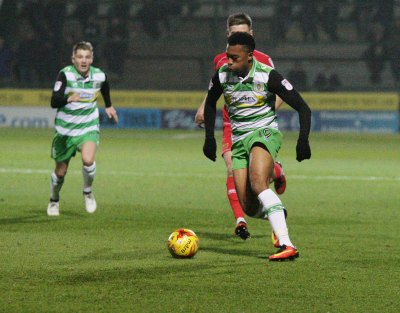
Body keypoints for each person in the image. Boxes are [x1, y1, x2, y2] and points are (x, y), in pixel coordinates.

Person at [202, 32, 311, 261]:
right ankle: (277, 212)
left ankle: (286, 244)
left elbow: (303, 107)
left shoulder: (268, 75)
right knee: (249, 207)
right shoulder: (222, 76)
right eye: (227, 57)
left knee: (258, 182)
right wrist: (209, 139)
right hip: (239, 139)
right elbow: (210, 103)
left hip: (264, 133)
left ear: (249, 56)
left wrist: (303, 140)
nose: (229, 62)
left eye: (234, 58)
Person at [195, 13, 286, 241]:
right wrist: (203, 107)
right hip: (231, 124)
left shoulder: (264, 60)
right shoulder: (221, 60)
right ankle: (241, 219)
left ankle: (275, 173)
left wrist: (263, 116)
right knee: (232, 169)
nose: (239, 37)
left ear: (251, 35)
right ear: (228, 35)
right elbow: (215, 88)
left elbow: (280, 94)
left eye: (244, 33)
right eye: (235, 33)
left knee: (257, 180)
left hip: (257, 125)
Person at [47, 41, 119, 216]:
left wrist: (108, 105)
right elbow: (53, 101)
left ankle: (87, 192)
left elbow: (105, 87)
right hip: (65, 131)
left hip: (88, 126)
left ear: (92, 58)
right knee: (60, 172)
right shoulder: (65, 75)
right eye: (80, 57)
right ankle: (54, 199)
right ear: (74, 59)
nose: (84, 60)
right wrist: (68, 99)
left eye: (87, 57)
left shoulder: (99, 76)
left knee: (88, 160)